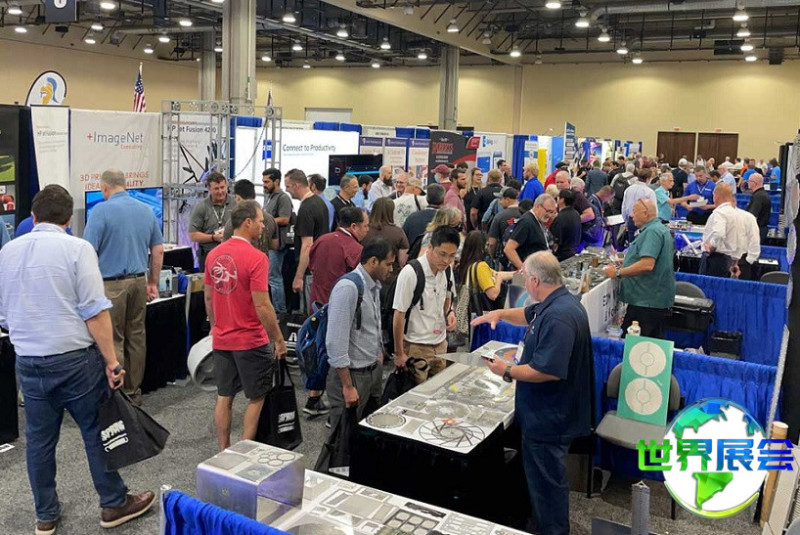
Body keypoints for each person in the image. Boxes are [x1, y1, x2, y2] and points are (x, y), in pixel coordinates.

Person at [0, 185, 155, 535]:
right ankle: (113, 503)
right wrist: (112, 362)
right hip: (75, 362)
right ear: (69, 219)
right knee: (96, 432)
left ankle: (45, 515)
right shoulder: (77, 248)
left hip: (28, 361)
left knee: (39, 442)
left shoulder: (7, 252)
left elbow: (5, 315)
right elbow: (95, 312)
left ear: (33, 217)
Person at [473, 251, 592, 535]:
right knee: (540, 483)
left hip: (550, 419)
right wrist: (500, 314)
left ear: (536, 280)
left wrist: (506, 370)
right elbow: (527, 315)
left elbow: (547, 370)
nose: (523, 282)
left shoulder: (559, 317)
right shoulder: (556, 303)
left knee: (548, 488)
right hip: (546, 414)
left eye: (525, 277)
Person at [204, 200, 287, 451]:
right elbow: (262, 305)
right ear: (247, 222)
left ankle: (224, 450)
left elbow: (208, 297)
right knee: (257, 397)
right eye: (260, 221)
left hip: (222, 339)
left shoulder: (213, 255)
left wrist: (215, 326)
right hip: (250, 340)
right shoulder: (257, 258)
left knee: (224, 396)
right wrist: (278, 338)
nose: (263, 226)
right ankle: (243, 453)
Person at [83, 169, 163, 404]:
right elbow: (158, 250)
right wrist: (152, 282)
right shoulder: (146, 210)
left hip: (111, 286)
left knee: (113, 338)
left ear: (104, 188)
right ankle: (133, 392)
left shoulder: (100, 211)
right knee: (136, 337)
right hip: (139, 281)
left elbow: (87, 251)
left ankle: (116, 397)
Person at [325, 237, 396, 434]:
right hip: (352, 376)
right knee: (342, 439)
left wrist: (378, 356)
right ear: (373, 261)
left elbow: (370, 326)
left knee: (365, 435)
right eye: (388, 264)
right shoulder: (348, 288)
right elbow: (335, 342)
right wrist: (347, 386)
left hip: (371, 371)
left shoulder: (374, 286)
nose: (391, 269)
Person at [393, 226, 459, 384]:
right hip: (416, 346)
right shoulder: (411, 272)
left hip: (441, 344)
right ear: (430, 247)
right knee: (416, 393)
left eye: (452, 256)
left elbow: (448, 295)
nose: (446, 260)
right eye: (442, 254)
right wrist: (399, 353)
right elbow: (399, 314)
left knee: (438, 389)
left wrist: (450, 312)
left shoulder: (447, 270)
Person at [603, 199, 675, 338]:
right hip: (652, 300)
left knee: (633, 344)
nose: (632, 215)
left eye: (635, 212)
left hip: (646, 302)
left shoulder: (652, 232)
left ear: (645, 213)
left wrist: (618, 272)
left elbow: (647, 264)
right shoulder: (658, 229)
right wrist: (626, 261)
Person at [286, 169, 330, 306]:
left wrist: (298, 277)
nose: (287, 190)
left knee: (311, 312)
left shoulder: (306, 208)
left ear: (296, 185)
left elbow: (307, 245)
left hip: (310, 271)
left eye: (288, 186)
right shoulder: (320, 202)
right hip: (321, 267)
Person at [309, 207, 369, 306]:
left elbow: (311, 267)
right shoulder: (355, 249)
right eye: (365, 226)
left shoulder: (321, 240)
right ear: (354, 226)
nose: (367, 230)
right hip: (340, 307)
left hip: (316, 306)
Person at [700, 184, 760, 279]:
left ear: (715, 196)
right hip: (735, 260)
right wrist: (743, 261)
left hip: (718, 259)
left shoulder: (720, 213)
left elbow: (719, 234)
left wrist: (712, 246)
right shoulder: (741, 216)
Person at [263, 168, 293, 316]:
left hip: (277, 244)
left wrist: (265, 221)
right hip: (269, 242)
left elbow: (285, 219)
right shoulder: (269, 197)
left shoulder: (283, 198)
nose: (264, 184)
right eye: (263, 181)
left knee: (274, 277)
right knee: (271, 277)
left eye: (267, 182)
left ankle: (280, 310)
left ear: (276, 181)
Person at [190, 172, 236, 270]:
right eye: (216, 188)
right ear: (209, 189)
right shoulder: (201, 207)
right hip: (208, 255)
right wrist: (213, 238)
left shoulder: (236, 204)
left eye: (222, 187)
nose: (220, 191)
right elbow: (193, 235)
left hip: (232, 254)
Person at [504, 194, 557, 270]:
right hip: (530, 272)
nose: (549, 215)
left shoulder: (538, 220)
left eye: (552, 212)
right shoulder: (526, 222)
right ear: (538, 206)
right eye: (548, 211)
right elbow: (509, 249)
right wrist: (523, 269)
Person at [223, 179, 278, 253]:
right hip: (263, 258)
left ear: (238, 198)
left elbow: (224, 249)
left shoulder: (234, 222)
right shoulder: (270, 219)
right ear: (255, 196)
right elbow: (275, 245)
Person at [367, 197, 409, 270]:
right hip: (390, 272)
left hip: (367, 270)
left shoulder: (364, 230)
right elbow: (402, 261)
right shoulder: (398, 232)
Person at [403, 183, 444, 248]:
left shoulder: (412, 218)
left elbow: (403, 242)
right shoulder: (447, 219)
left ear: (427, 198)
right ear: (443, 200)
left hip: (413, 253)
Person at [621, 170, 658, 243]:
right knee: (644, 244)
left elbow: (624, 207)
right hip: (645, 222)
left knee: (632, 244)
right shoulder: (649, 192)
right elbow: (654, 210)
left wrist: (625, 222)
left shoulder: (628, 189)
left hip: (631, 219)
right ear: (648, 179)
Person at [487, 187, 522, 259]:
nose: (500, 202)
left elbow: (492, 243)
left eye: (501, 199)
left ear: (508, 200)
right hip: (523, 256)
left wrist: (492, 256)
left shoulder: (499, 216)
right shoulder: (526, 214)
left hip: (504, 257)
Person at [550, 189, 582, 261]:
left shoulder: (560, 218)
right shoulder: (576, 214)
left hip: (562, 256)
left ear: (562, 200)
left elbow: (555, 241)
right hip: (573, 252)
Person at [745, 173, 771, 242]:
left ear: (754, 183)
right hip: (760, 229)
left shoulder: (758, 197)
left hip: (757, 231)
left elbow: (752, 215)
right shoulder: (761, 194)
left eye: (749, 181)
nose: (748, 182)